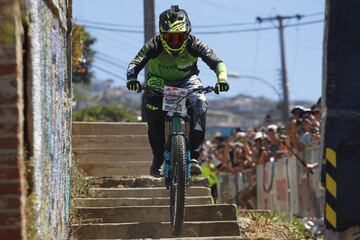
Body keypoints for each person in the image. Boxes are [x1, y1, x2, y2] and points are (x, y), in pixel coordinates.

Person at [126, 5, 230, 177]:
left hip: (187, 81)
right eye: (170, 37)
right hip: (158, 82)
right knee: (153, 117)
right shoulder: (154, 44)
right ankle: (158, 159)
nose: (175, 42)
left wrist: (222, 79)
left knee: (200, 104)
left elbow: (217, 62)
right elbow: (135, 64)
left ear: (187, 34)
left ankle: (194, 157)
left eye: (180, 37)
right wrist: (132, 79)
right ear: (161, 34)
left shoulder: (195, 43)